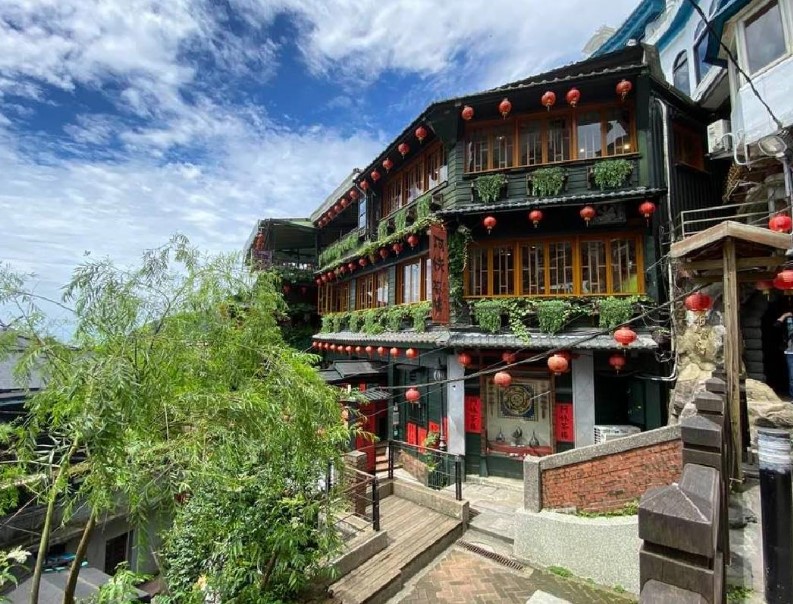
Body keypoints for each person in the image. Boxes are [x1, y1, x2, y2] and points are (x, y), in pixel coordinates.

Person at [776, 310, 793, 399]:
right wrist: (784, 315)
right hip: (790, 352)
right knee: (792, 376)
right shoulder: (788, 319)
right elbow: (776, 325)